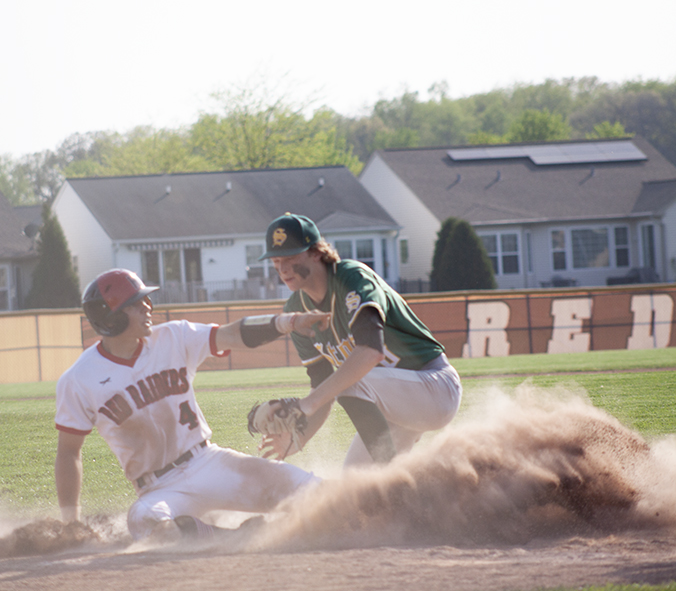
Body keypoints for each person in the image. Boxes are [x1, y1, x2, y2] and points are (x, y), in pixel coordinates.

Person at [55, 268, 324, 541]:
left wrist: (288, 322)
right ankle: (228, 536)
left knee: (311, 492)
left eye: (145, 300)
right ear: (111, 318)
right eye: (136, 304)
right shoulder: (79, 379)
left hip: (208, 462)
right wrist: (71, 523)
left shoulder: (173, 337)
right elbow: (68, 452)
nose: (148, 307)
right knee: (147, 523)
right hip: (159, 489)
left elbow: (233, 334)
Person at [253, 213, 462, 467]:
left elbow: (371, 352)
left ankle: (394, 480)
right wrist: (300, 437)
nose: (282, 268)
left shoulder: (351, 279)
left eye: (290, 257)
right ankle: (415, 495)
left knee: (349, 381)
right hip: (393, 406)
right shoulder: (296, 311)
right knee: (355, 481)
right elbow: (322, 388)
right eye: (276, 260)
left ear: (317, 252)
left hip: (433, 386)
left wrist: (305, 405)